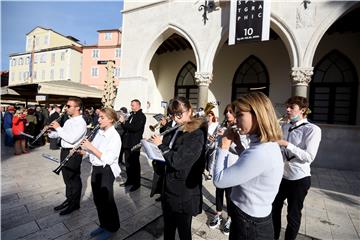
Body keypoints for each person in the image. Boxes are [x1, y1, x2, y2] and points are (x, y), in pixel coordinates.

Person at [213, 92, 284, 240]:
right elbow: (250, 164)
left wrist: (223, 146)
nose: (235, 120)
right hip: (252, 219)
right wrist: (238, 145)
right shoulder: (265, 145)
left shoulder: (260, 152)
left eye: (239, 115)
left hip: (249, 225)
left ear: (257, 115)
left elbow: (219, 181)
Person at [151, 96, 207, 240]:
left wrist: (160, 146)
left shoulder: (197, 134)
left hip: (183, 192)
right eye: (173, 115)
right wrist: (152, 148)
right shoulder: (176, 128)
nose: (175, 119)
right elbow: (167, 150)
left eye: (179, 114)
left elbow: (178, 161)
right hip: (168, 187)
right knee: (168, 227)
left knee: (183, 231)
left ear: (189, 111)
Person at [272, 96, 322, 240]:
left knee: (293, 215)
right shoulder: (285, 126)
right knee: (274, 210)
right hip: (281, 176)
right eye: (287, 106)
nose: (287, 109)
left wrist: (287, 144)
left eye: (291, 107)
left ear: (303, 110)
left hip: (299, 179)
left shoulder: (313, 129)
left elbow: (309, 157)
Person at [80, 108, 121, 240]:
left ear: (111, 119)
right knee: (98, 200)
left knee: (107, 200)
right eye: (99, 117)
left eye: (102, 117)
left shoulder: (114, 136)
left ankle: (112, 227)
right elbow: (94, 151)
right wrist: (84, 152)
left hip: (107, 170)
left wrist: (90, 147)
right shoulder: (99, 132)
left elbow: (108, 158)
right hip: (96, 169)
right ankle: (104, 225)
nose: (99, 120)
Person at [49, 97, 87, 215]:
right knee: (66, 178)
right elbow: (63, 135)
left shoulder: (81, 123)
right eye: (66, 105)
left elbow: (71, 139)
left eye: (69, 106)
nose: (66, 108)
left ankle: (74, 204)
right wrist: (51, 133)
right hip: (64, 151)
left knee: (73, 178)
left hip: (74, 152)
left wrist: (58, 128)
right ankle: (69, 199)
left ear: (77, 108)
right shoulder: (69, 120)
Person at [208, 103, 238, 235]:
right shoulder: (222, 125)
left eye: (230, 112)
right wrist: (214, 139)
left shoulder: (239, 128)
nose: (227, 114)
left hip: (232, 165)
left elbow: (240, 149)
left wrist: (228, 139)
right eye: (226, 112)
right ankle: (218, 215)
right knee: (219, 191)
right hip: (220, 164)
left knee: (230, 195)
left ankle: (230, 219)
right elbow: (217, 145)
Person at [120, 99, 146, 192]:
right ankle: (129, 180)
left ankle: (136, 183)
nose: (131, 107)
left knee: (135, 165)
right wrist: (123, 122)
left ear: (138, 105)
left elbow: (135, 128)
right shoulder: (131, 115)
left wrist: (124, 123)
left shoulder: (141, 116)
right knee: (127, 163)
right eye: (131, 105)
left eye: (133, 105)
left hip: (134, 143)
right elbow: (126, 128)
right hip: (127, 142)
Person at [204, 110, 218, 181]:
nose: (209, 117)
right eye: (208, 116)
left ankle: (210, 173)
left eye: (210, 116)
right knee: (204, 158)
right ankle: (202, 170)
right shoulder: (205, 124)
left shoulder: (216, 124)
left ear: (213, 116)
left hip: (212, 144)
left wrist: (214, 138)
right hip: (205, 144)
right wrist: (208, 136)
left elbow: (217, 134)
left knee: (211, 160)